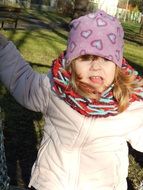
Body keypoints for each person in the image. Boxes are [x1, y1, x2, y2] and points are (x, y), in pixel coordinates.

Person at [0, 9, 143, 190]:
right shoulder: (55, 89)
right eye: (85, 57)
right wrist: (3, 49)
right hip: (51, 184)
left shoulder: (129, 105)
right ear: (71, 62)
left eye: (106, 59)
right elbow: (23, 81)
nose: (96, 67)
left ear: (117, 66)